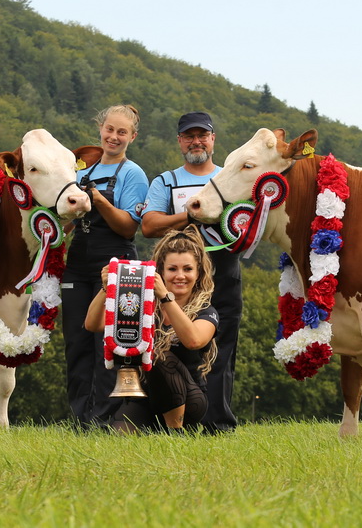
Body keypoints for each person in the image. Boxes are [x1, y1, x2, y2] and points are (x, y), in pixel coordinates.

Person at [140, 111, 241, 434]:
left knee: (222, 350)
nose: (196, 141)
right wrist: (189, 215)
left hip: (224, 270)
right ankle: (172, 421)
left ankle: (218, 424)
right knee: (170, 349)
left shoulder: (230, 177)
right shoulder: (166, 181)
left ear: (213, 139)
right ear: (180, 141)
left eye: (203, 135)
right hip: (179, 278)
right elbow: (149, 224)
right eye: (189, 136)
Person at [62, 104, 149, 428]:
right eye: (109, 129)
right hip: (77, 263)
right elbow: (68, 223)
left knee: (107, 344)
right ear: (100, 129)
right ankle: (79, 419)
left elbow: (128, 226)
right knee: (76, 340)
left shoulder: (132, 174)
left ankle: (103, 419)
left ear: (132, 137)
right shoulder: (79, 173)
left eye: (121, 132)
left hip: (117, 264)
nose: (113, 137)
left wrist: (97, 199)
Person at [84, 226, 217, 432]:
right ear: (161, 272)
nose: (180, 276)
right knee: (120, 438)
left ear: (198, 274)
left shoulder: (206, 310)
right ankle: (158, 427)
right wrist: (106, 287)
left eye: (188, 269)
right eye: (172, 269)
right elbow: (93, 324)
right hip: (146, 397)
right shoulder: (144, 305)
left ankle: (176, 431)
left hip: (190, 401)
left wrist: (165, 297)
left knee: (156, 353)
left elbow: (193, 341)